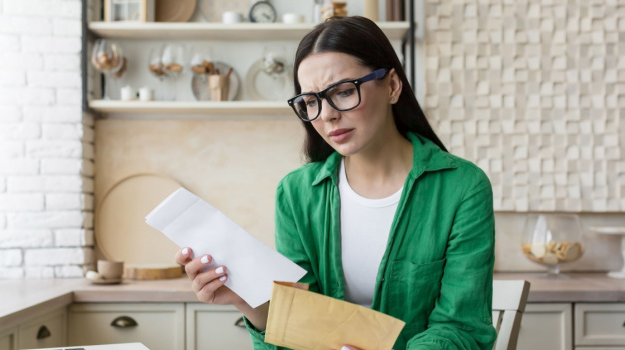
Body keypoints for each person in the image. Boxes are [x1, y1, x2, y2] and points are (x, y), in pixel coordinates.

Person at [175, 16, 496, 350]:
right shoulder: (296, 194)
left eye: (342, 92)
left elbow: (461, 329)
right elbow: (303, 327)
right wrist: (249, 302)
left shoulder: (462, 188)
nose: (326, 114)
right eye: (311, 101)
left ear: (391, 86)